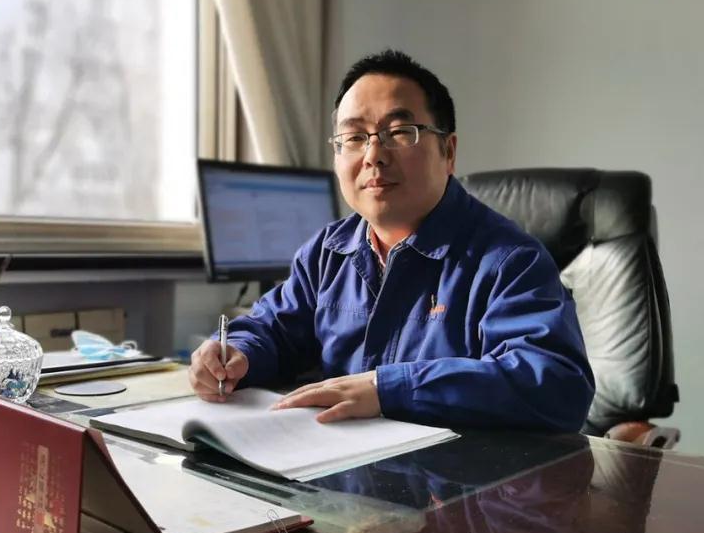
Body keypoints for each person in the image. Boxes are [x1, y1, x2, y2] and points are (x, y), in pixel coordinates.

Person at [189, 49, 594, 431]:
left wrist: (387, 389)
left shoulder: (510, 261)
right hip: (340, 467)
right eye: (354, 138)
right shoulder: (328, 252)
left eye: (399, 132)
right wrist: (235, 353)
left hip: (460, 478)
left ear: (448, 152)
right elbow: (273, 329)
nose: (373, 155)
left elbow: (555, 383)